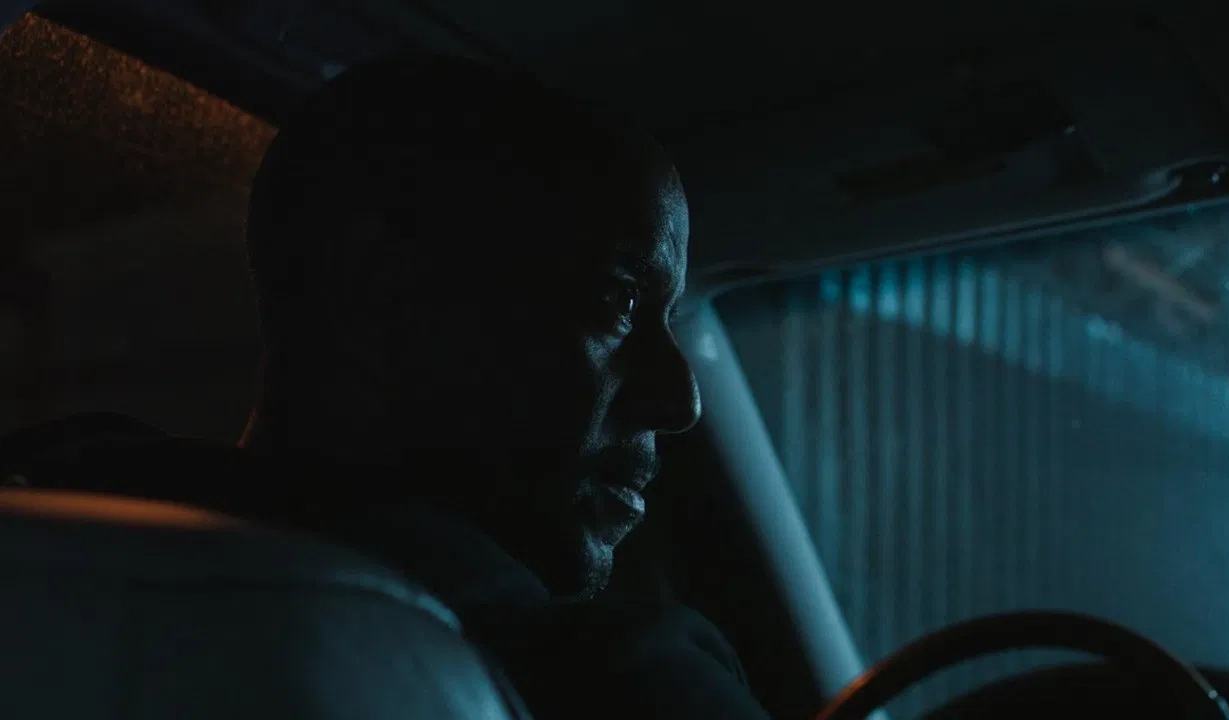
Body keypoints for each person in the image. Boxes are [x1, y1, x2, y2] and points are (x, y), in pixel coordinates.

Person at [23, 52, 765, 719]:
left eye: (668, 319)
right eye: (618, 302)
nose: (682, 401)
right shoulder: (610, 684)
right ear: (384, 297)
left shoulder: (46, 534)